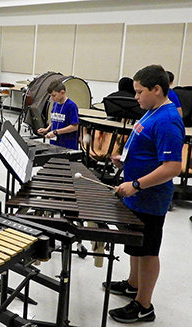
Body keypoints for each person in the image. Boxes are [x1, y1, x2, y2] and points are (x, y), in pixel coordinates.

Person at [107, 65, 184, 323]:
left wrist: (137, 184)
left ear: (157, 89)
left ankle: (144, 305)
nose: (135, 97)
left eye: (139, 92)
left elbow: (173, 167)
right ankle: (132, 283)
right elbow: (148, 151)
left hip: (150, 198)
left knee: (148, 251)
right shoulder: (152, 111)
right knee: (137, 245)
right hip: (137, 193)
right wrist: (125, 161)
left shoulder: (168, 119)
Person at [37, 80, 79, 150]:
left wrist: (56, 132)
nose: (51, 98)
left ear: (62, 92)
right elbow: (55, 119)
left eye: (53, 95)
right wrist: (47, 129)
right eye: (50, 96)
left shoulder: (71, 106)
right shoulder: (55, 104)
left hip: (67, 145)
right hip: (54, 143)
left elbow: (75, 127)